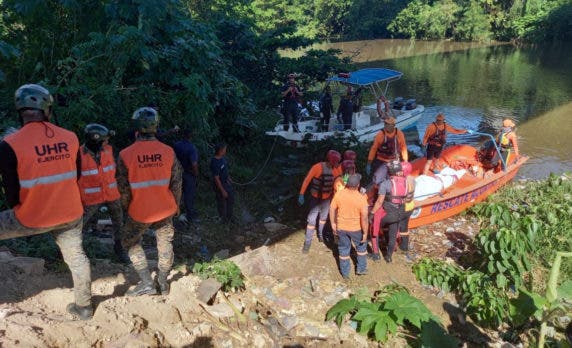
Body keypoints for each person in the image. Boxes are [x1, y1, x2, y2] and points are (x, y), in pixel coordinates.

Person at [0, 84, 92, 320]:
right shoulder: (70, 138)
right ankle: (84, 308)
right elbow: (77, 176)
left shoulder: (9, 145)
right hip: (70, 214)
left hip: (31, 216)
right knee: (76, 256)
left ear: (20, 111)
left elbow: (11, 193)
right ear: (47, 109)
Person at [117, 107, 182, 296]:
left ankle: (146, 282)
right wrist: (176, 205)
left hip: (140, 211)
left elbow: (123, 189)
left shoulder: (125, 154)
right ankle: (162, 281)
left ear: (135, 128)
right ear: (156, 126)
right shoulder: (168, 151)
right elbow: (176, 182)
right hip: (165, 208)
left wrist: (128, 208)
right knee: (165, 242)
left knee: (130, 241)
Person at [78, 123, 126, 261]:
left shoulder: (108, 150)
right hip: (91, 198)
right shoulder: (79, 155)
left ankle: (120, 249)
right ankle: (78, 253)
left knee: (119, 222)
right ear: (96, 140)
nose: (107, 142)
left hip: (111, 194)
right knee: (79, 225)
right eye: (104, 140)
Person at [298, 150, 342, 253]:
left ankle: (320, 235)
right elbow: (307, 180)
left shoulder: (335, 170)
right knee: (311, 220)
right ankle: (307, 243)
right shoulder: (317, 167)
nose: (336, 165)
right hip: (315, 198)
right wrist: (301, 193)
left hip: (327, 199)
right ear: (331, 160)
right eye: (335, 163)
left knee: (323, 218)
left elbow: (341, 181)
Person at [370, 161, 411, 263]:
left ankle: (376, 254)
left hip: (387, 214)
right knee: (393, 234)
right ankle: (389, 257)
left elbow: (379, 202)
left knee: (374, 229)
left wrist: (371, 214)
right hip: (398, 213)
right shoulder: (406, 182)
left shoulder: (385, 184)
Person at [329, 174, 369, 279]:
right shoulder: (361, 198)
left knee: (343, 249)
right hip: (356, 228)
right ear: (358, 185)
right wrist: (365, 233)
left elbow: (332, 209)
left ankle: (345, 273)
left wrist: (333, 223)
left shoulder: (339, 194)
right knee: (361, 248)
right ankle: (361, 269)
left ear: (346, 184)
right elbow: (364, 218)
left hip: (341, 227)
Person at [366, 116, 408, 181]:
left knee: (395, 179)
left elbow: (403, 148)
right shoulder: (380, 134)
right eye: (385, 123)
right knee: (377, 179)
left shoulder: (399, 134)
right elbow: (373, 149)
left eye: (387, 124)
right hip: (381, 160)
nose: (385, 125)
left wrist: (405, 161)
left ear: (393, 125)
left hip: (394, 161)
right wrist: (369, 163)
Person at [173, 128, 200, 224]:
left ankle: (176, 214)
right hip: (189, 174)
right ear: (191, 136)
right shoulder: (192, 148)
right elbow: (194, 163)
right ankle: (190, 216)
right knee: (189, 195)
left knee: (177, 194)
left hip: (177, 173)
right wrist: (196, 173)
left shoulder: (176, 145)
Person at [210, 143, 234, 224]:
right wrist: (222, 190)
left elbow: (224, 170)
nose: (225, 151)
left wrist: (228, 177)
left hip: (226, 182)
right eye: (224, 149)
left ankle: (229, 218)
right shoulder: (215, 162)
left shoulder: (222, 159)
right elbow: (216, 178)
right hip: (220, 185)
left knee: (230, 199)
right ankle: (223, 219)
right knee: (221, 202)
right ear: (220, 151)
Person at [397, 161, 416, 256]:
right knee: (404, 226)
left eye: (399, 170)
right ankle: (404, 246)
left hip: (403, 207)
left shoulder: (403, 181)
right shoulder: (412, 179)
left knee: (399, 225)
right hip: (410, 206)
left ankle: (399, 244)